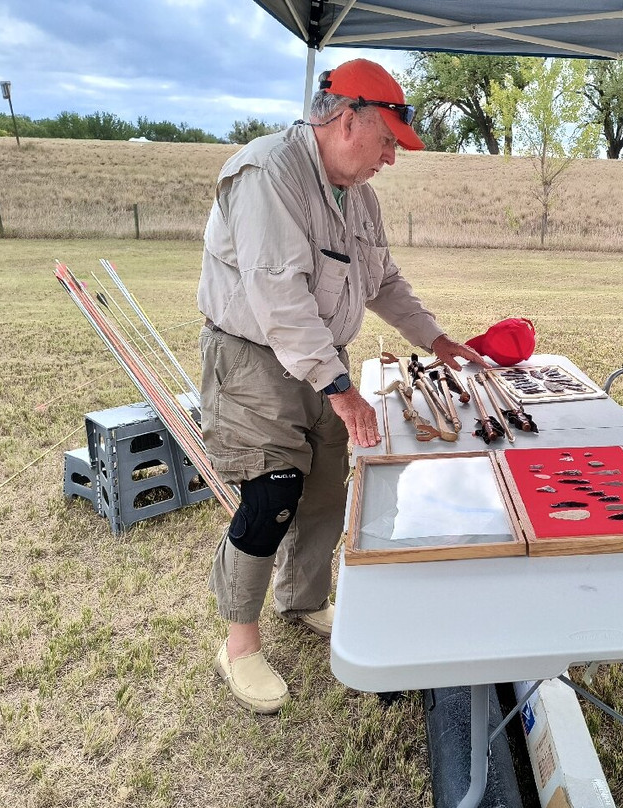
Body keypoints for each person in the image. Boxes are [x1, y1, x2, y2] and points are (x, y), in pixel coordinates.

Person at [197, 59, 485, 713]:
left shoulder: (359, 196)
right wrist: (342, 390)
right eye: (387, 141)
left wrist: (436, 340)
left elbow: (383, 280)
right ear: (347, 118)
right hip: (252, 357)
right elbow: (279, 299)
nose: (391, 158)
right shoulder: (269, 172)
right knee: (272, 494)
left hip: (321, 360)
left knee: (327, 486)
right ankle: (239, 645)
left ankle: (302, 601)